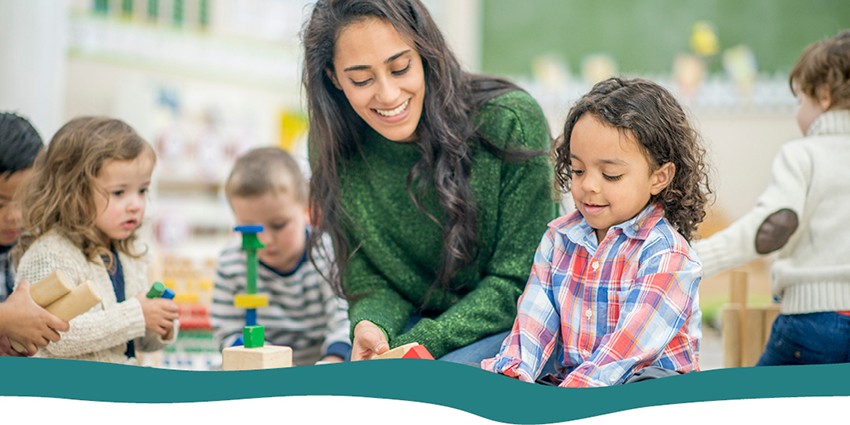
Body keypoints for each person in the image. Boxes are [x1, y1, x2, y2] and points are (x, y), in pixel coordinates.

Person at [301, 0, 558, 363]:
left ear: (425, 54)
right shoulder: (332, 147)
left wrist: (425, 342)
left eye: (401, 67)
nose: (388, 95)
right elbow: (370, 276)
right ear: (333, 78)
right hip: (415, 331)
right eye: (361, 79)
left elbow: (520, 282)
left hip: (513, 327)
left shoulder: (511, 120)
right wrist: (371, 325)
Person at [482, 77, 712, 387]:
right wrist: (513, 374)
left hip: (640, 387)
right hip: (576, 384)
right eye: (578, 170)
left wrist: (574, 395)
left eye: (611, 175)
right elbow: (532, 325)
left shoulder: (668, 255)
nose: (588, 185)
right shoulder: (558, 240)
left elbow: (626, 351)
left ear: (659, 177)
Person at [694, 30, 850, 366]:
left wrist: (694, 259)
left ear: (823, 95)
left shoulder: (802, 155)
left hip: (815, 321)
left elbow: (773, 227)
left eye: (800, 101)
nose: (799, 112)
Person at [14, 116, 178, 364]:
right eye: (119, 193)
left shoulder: (127, 251)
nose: (135, 204)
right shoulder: (50, 253)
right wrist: (137, 314)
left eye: (142, 190)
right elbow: (54, 335)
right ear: (75, 193)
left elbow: (131, 338)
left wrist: (158, 325)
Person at [211, 146, 352, 365]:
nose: (266, 240)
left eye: (278, 225)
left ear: (307, 210)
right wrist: (260, 359)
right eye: (249, 229)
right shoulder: (231, 263)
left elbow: (344, 320)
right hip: (259, 370)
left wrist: (331, 360)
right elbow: (226, 331)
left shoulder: (326, 253)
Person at [0, 112, 69, 356]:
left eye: (27, 200)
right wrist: (5, 319)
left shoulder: (36, 242)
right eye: (0, 204)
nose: (15, 216)